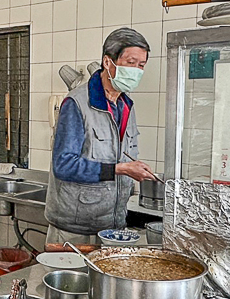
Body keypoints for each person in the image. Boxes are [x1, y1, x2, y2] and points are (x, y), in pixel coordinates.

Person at [45, 28, 157, 245]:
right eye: (131, 62)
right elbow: (64, 165)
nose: (136, 70)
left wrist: (134, 167)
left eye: (141, 65)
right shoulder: (77, 103)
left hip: (112, 226)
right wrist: (120, 169)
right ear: (108, 62)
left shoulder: (125, 105)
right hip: (74, 230)